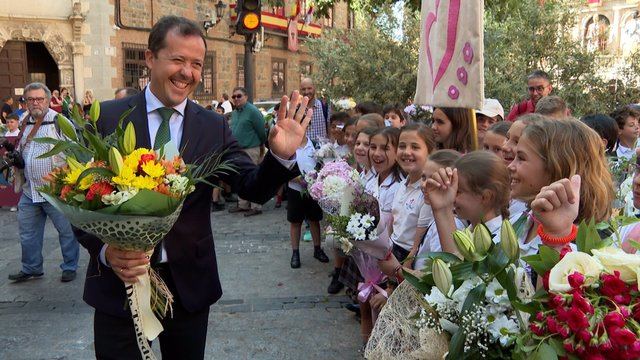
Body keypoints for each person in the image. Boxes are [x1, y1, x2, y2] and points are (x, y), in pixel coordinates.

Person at [74, 16, 311, 359]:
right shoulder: (106, 118)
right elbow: (77, 199)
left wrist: (279, 156)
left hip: (188, 285)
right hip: (119, 283)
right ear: (150, 58)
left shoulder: (213, 127)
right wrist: (106, 252)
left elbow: (251, 187)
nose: (188, 72)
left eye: (197, 64)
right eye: (178, 60)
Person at [7, 82, 79, 283]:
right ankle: (32, 268)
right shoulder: (24, 121)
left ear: (48, 100)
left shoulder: (60, 121)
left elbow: (75, 153)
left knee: (66, 232)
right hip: (30, 191)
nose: (35, 103)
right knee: (28, 234)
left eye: (39, 99)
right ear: (26, 102)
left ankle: (70, 266)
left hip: (56, 191)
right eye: (31, 99)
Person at [425, 151, 511, 254]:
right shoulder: (469, 231)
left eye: (458, 191)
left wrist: (444, 209)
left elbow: (457, 263)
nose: (452, 198)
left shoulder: (499, 244)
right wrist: (442, 208)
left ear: (486, 197)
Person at [288, 134, 329, 268]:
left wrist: (317, 177)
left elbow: (323, 164)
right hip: (295, 189)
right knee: (295, 221)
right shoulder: (288, 147)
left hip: (313, 189)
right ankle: (295, 252)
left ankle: (317, 249)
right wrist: (296, 178)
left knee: (314, 219)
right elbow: (283, 168)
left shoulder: (316, 145)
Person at [227, 86, 267, 217]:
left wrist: (262, 145)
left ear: (246, 97)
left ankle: (256, 206)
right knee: (240, 178)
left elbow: (261, 130)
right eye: (234, 97)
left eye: (239, 96)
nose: (236, 99)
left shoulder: (253, 111)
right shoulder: (235, 112)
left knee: (254, 178)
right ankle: (243, 204)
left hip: (251, 149)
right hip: (238, 150)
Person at [300, 77, 330, 142]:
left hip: (321, 149)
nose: (306, 92)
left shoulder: (324, 106)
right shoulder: (298, 110)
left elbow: (329, 129)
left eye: (309, 88)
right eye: (303, 89)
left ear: (314, 88)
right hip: (305, 150)